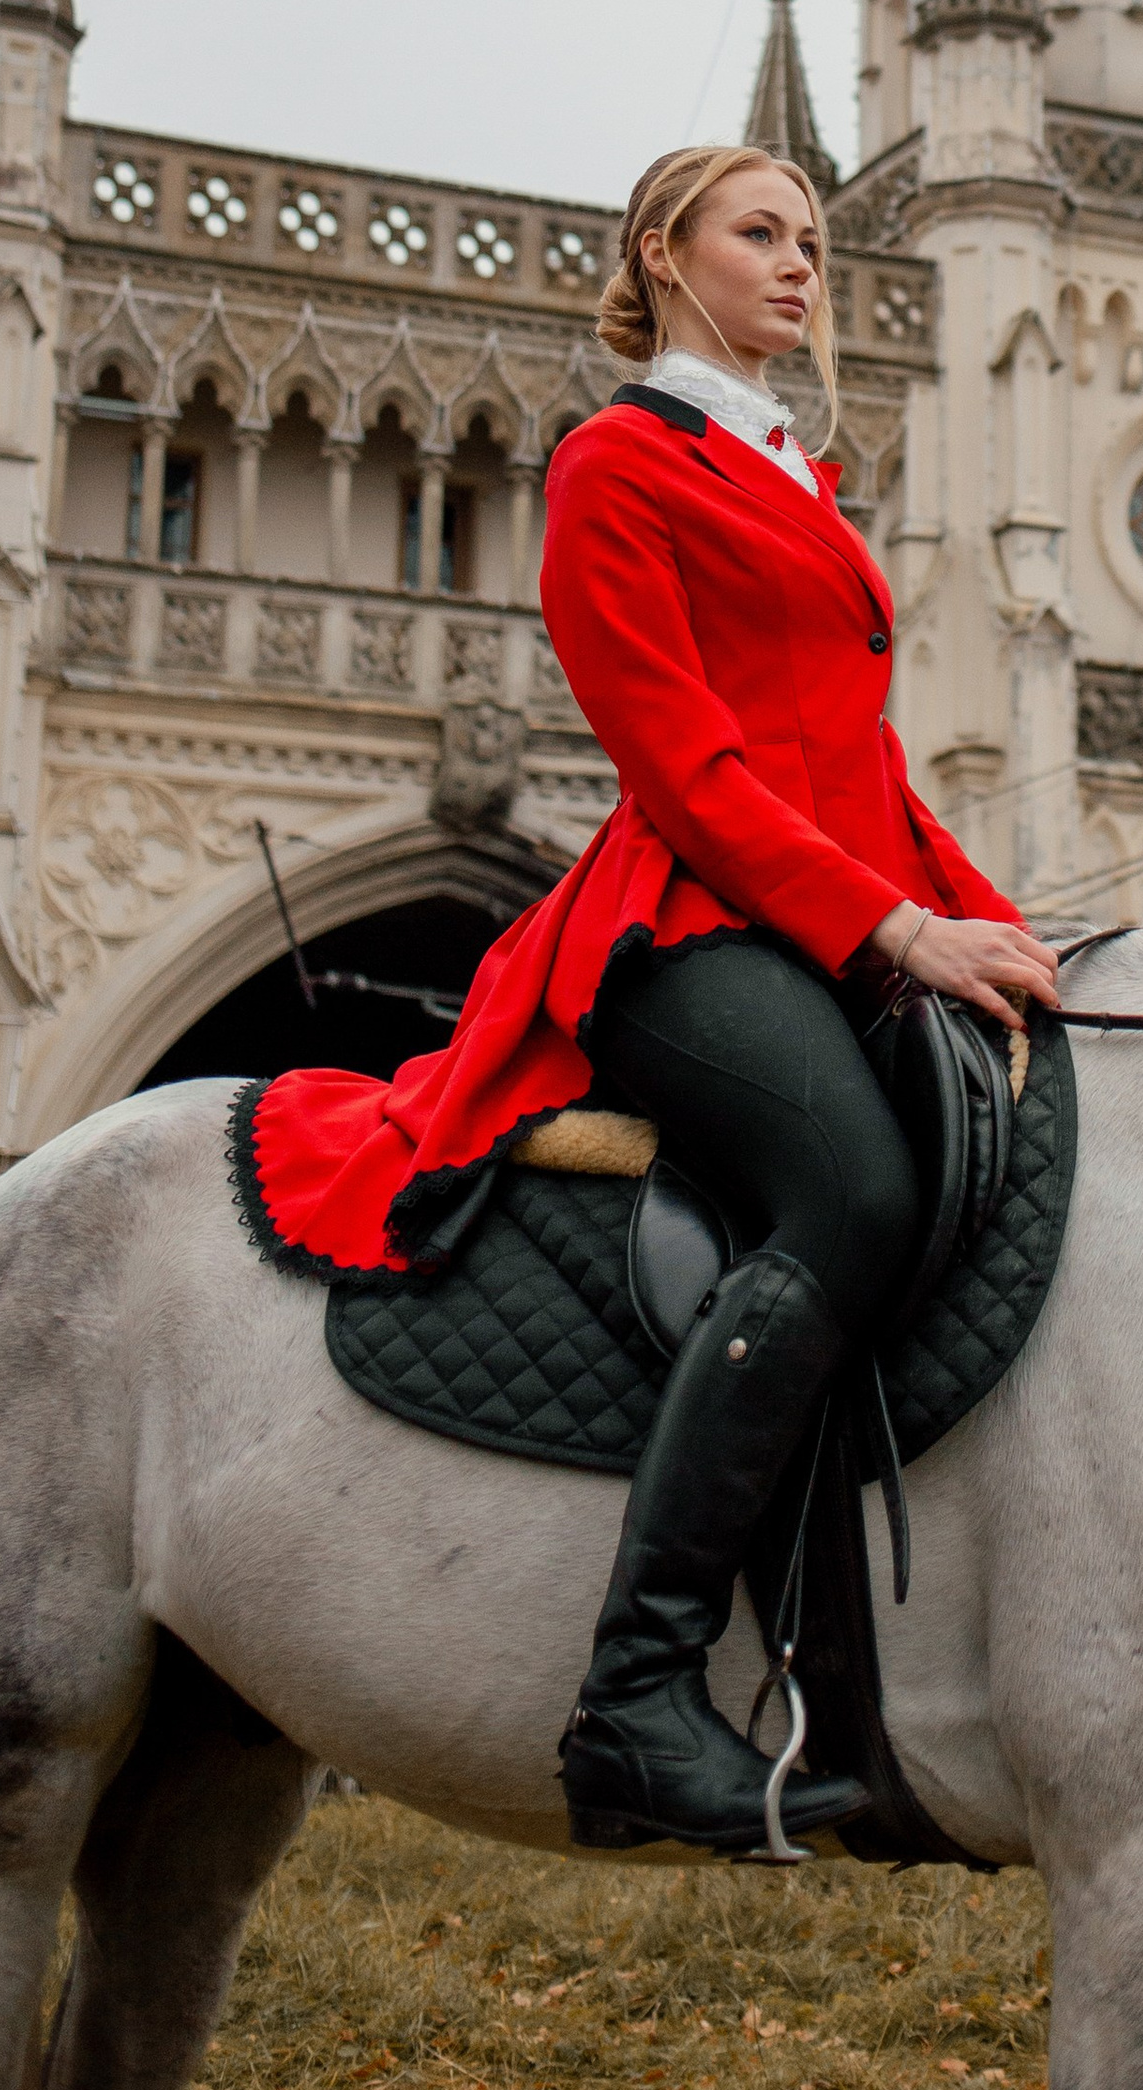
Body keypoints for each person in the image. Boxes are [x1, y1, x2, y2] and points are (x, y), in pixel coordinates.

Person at [238, 141, 1060, 1856]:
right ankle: (634, 1695)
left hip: (823, 910)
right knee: (849, 1190)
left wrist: (1009, 937)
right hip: (675, 934)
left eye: (814, 241)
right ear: (665, 258)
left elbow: (870, 772)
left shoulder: (805, 478)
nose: (800, 263)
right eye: (762, 233)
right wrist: (898, 940)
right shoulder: (621, 461)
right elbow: (685, 770)